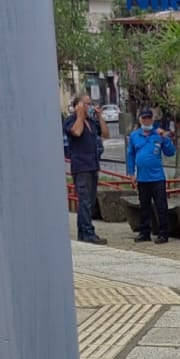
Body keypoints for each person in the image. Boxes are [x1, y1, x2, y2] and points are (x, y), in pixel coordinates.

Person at [126, 108, 176, 245]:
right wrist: (131, 173)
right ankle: (144, 232)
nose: (146, 120)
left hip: (157, 177)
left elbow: (170, 152)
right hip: (142, 178)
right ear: (140, 119)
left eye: (149, 118)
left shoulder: (158, 135)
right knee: (144, 206)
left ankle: (163, 233)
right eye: (144, 118)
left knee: (161, 206)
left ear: (152, 120)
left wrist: (165, 138)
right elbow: (130, 155)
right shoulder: (135, 136)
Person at [63, 92, 107, 246]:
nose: (89, 106)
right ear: (78, 105)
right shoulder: (71, 121)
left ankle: (84, 232)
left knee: (91, 200)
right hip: (81, 166)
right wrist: (80, 115)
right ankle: (87, 232)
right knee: (84, 201)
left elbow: (106, 134)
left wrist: (99, 116)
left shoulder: (92, 122)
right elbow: (76, 132)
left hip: (93, 165)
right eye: (86, 103)